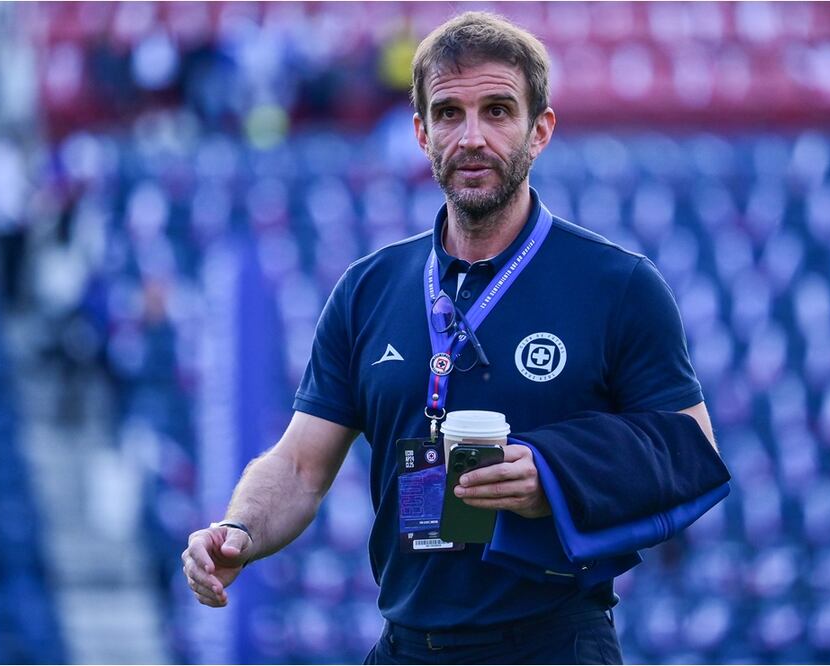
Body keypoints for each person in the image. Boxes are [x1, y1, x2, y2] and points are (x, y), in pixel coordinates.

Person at [182, 11, 721, 664]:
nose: (472, 137)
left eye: (497, 111)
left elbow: (689, 450)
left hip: (551, 644)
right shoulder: (368, 288)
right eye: (448, 113)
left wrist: (550, 472)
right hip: (407, 645)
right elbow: (298, 465)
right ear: (420, 132)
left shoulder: (616, 284)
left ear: (539, 130)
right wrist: (238, 527)